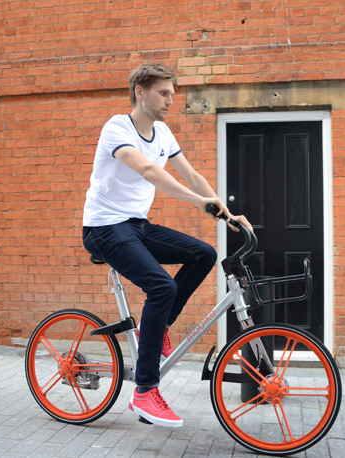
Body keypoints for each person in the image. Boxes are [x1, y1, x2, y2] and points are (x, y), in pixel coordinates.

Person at [82, 63, 251, 427]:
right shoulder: (117, 128)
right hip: (104, 228)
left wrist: (227, 212)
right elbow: (149, 171)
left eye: (172, 93)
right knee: (161, 286)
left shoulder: (163, 132)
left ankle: (152, 331)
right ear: (140, 92)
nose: (170, 100)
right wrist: (198, 202)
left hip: (136, 226)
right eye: (163, 93)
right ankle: (144, 391)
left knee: (204, 253)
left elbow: (191, 174)